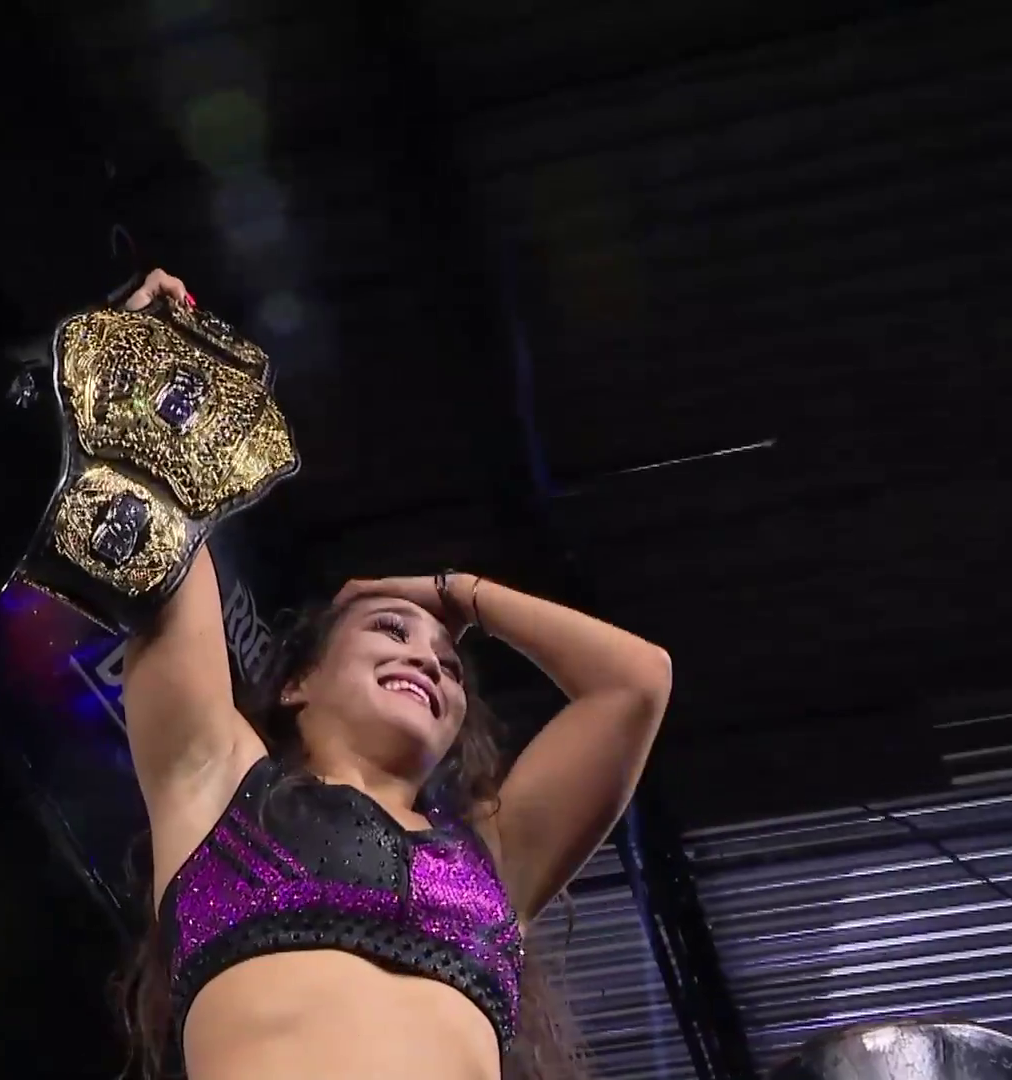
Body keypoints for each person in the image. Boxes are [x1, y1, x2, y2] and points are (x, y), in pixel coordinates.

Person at [111, 270, 674, 1080]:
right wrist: (151, 361)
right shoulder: (216, 783)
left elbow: (637, 681)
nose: (426, 661)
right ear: (296, 684)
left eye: (449, 666)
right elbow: (165, 526)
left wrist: (459, 593)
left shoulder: (492, 858)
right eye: (389, 631)